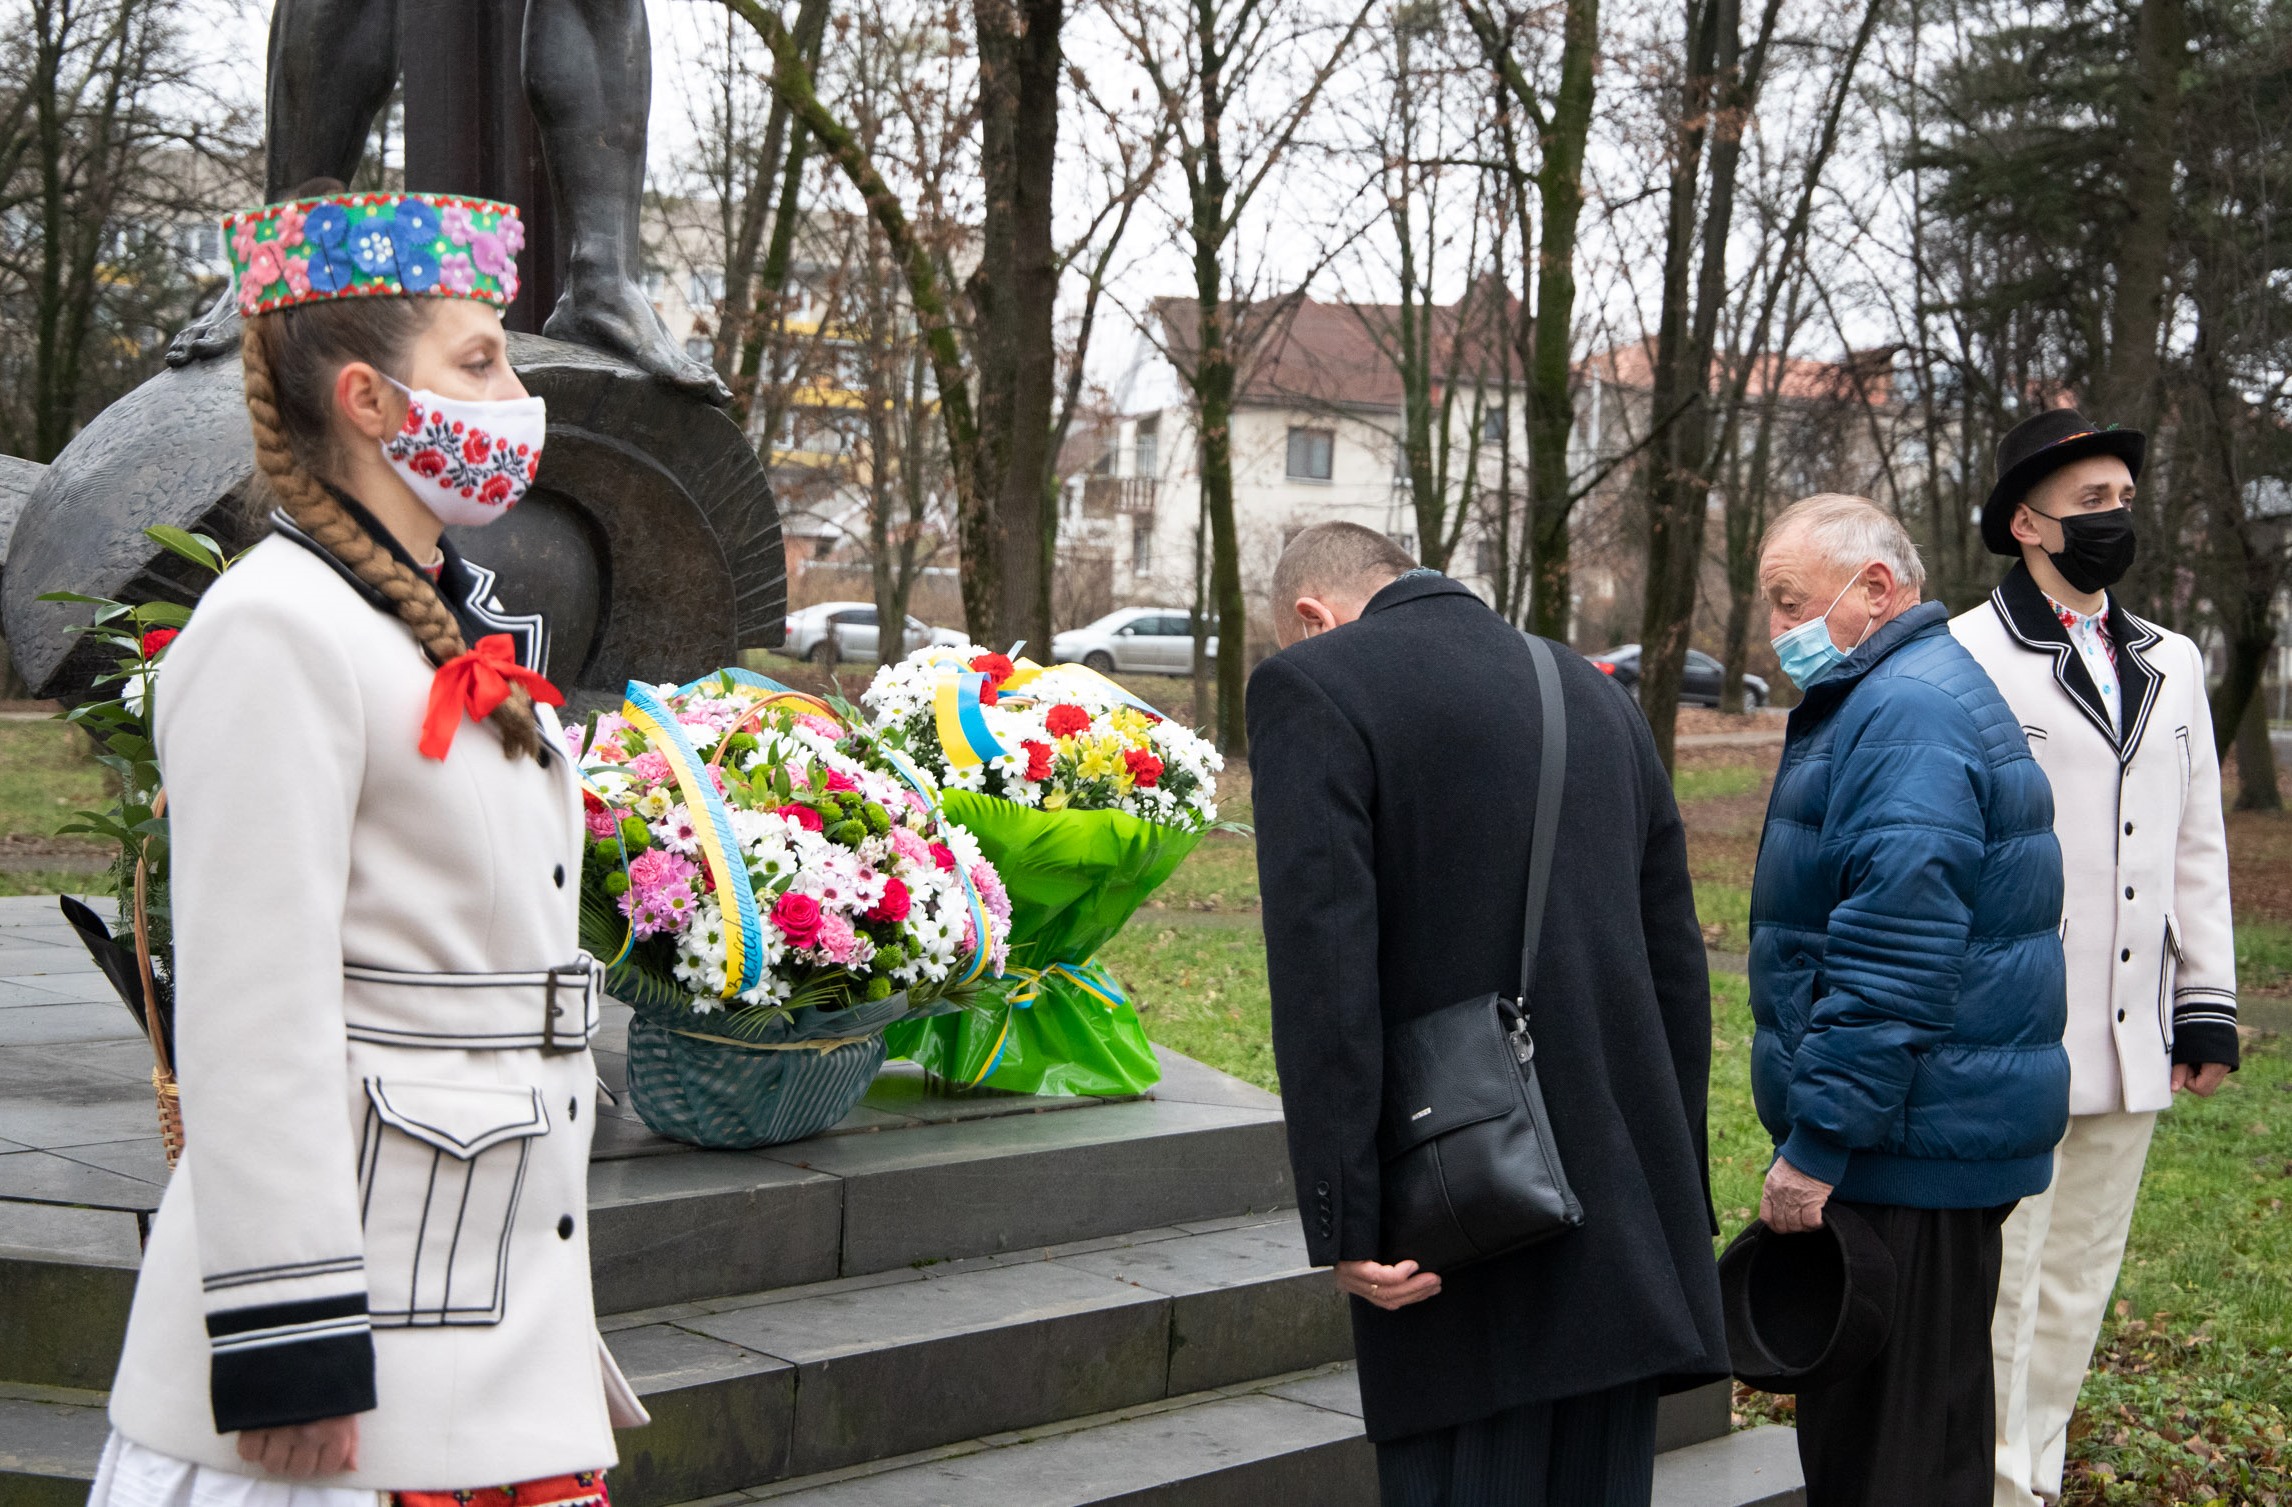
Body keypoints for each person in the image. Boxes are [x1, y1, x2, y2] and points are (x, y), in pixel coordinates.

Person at [92, 182, 646, 1498]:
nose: (515, 390)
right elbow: (251, 1011)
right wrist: (292, 1336)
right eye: (478, 358)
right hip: (344, 1387)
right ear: (369, 401)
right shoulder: (274, 629)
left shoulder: (432, 622)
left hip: (472, 1307)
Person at [1248, 522, 1728, 1507]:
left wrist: (1347, 1217)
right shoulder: (1596, 692)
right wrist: (1672, 1194)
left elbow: (1325, 973)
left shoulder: (1317, 684)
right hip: (1623, 1220)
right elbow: (1678, 967)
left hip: (1459, 1217)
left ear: (1312, 616)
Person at [1748, 493, 2069, 1506]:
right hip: (1926, 1134)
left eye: (1788, 601)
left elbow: (1896, 954)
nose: (1777, 632)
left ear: (1875, 588)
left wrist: (1818, 1145)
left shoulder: (1908, 712)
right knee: (1916, 1440)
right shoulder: (1911, 692)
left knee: (1893, 1462)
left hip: (1906, 1149)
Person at [1949, 409, 2237, 1507]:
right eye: (2091, 502)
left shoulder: (2172, 664)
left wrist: (2205, 1003)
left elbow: (2197, 842)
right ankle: (1993, 1483)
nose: (2115, 518)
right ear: (2027, 524)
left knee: (2076, 1281)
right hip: (2012, 1030)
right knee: (2006, 1281)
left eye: (2125, 498)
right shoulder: (1963, 657)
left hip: (2131, 1028)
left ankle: (2038, 1474)